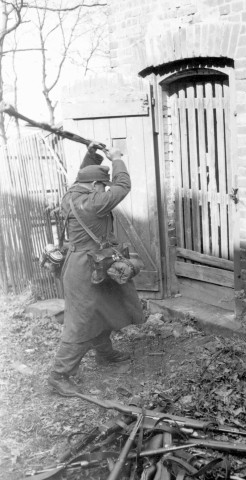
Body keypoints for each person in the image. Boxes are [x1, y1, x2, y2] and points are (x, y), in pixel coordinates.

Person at [48, 143, 144, 396]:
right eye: (103, 186)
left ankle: (105, 353)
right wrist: (116, 160)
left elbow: (83, 175)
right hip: (84, 270)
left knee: (106, 308)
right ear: (94, 187)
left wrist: (91, 155)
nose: (105, 190)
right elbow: (123, 187)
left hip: (88, 263)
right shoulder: (92, 204)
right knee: (81, 322)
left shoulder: (71, 196)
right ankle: (60, 375)